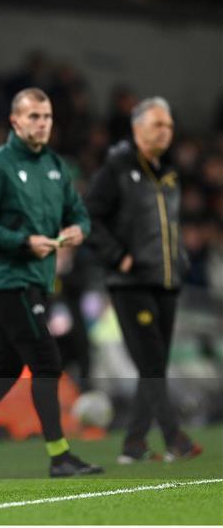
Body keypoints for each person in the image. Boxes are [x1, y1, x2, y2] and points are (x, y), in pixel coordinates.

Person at [0, 87, 103, 480]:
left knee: (4, 370)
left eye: (46, 118)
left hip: (38, 280)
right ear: (14, 121)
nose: (41, 124)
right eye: (33, 117)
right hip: (7, 279)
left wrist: (80, 229)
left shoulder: (57, 167)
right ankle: (60, 455)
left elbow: (79, 213)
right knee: (46, 361)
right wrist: (22, 242)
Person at [85, 97, 202, 463]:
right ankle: (174, 438)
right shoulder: (117, 169)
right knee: (151, 364)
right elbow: (90, 217)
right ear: (137, 129)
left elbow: (169, 226)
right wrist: (118, 256)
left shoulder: (166, 172)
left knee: (154, 366)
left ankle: (133, 444)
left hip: (165, 281)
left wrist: (178, 259)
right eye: (156, 125)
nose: (164, 132)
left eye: (168, 125)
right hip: (131, 283)